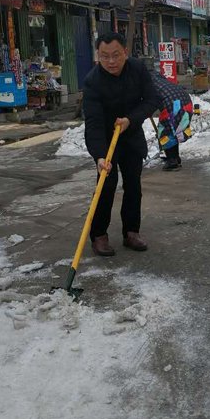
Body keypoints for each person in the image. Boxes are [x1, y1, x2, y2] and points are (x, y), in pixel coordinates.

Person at [82, 33, 159, 256]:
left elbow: (151, 100)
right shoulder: (92, 82)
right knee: (106, 185)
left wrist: (130, 120)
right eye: (105, 56)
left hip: (130, 132)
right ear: (98, 56)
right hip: (105, 138)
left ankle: (131, 232)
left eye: (116, 55)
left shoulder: (138, 69)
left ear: (125, 52)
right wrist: (99, 156)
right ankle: (99, 235)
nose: (111, 61)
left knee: (133, 185)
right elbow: (93, 124)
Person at [151, 74, 194, 170]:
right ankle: (175, 157)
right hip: (186, 102)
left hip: (173, 104)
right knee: (175, 130)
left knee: (165, 132)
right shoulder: (160, 80)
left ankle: (172, 161)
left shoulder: (147, 83)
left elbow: (149, 102)